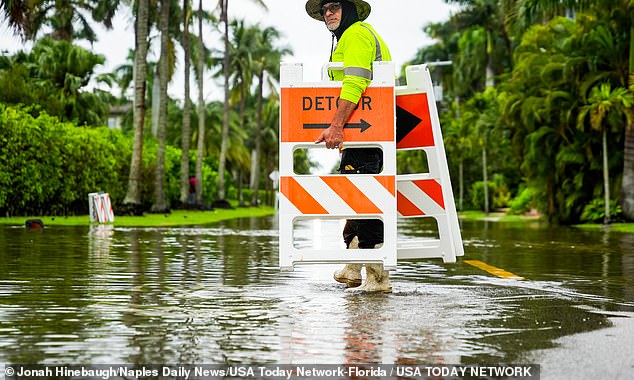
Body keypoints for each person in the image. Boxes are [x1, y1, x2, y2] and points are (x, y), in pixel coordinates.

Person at [306, 0, 392, 293]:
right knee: (355, 198)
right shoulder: (352, 36)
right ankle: (354, 267)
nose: (327, 13)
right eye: (324, 9)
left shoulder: (356, 34)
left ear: (350, 10)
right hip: (364, 133)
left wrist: (337, 125)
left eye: (334, 7)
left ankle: (378, 277)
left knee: (366, 201)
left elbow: (355, 82)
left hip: (368, 131)